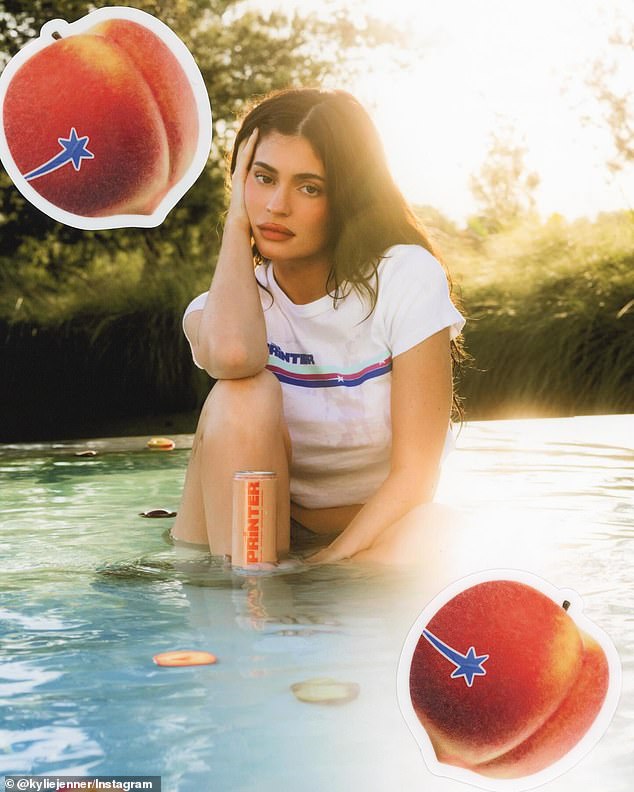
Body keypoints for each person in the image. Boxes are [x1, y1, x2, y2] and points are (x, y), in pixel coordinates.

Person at [171, 88, 465, 564]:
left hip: (370, 534)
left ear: (347, 196)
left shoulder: (404, 277)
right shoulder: (226, 308)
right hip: (246, 535)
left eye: (309, 187)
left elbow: (416, 475)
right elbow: (231, 356)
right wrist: (235, 224)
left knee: (440, 532)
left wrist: (330, 564)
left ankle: (286, 596)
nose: (276, 206)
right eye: (262, 178)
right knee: (242, 393)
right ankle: (244, 603)